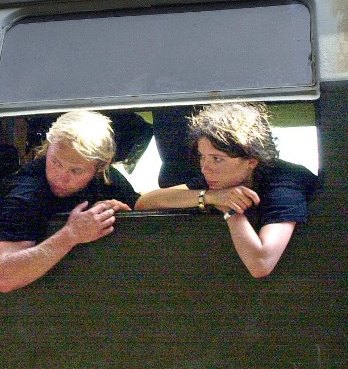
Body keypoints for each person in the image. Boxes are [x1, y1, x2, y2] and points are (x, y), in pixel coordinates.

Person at [135, 102, 319, 278]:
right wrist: (210, 197)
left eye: (217, 159)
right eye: (202, 157)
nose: (205, 168)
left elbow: (261, 264)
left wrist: (230, 209)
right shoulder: (220, 178)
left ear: (251, 161)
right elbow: (145, 203)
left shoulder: (285, 183)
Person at [0, 110, 140, 293]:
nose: (60, 178)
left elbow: (141, 206)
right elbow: (5, 277)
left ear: (100, 167)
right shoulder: (26, 193)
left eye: (75, 171)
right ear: (48, 148)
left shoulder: (107, 179)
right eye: (55, 162)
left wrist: (128, 214)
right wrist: (71, 234)